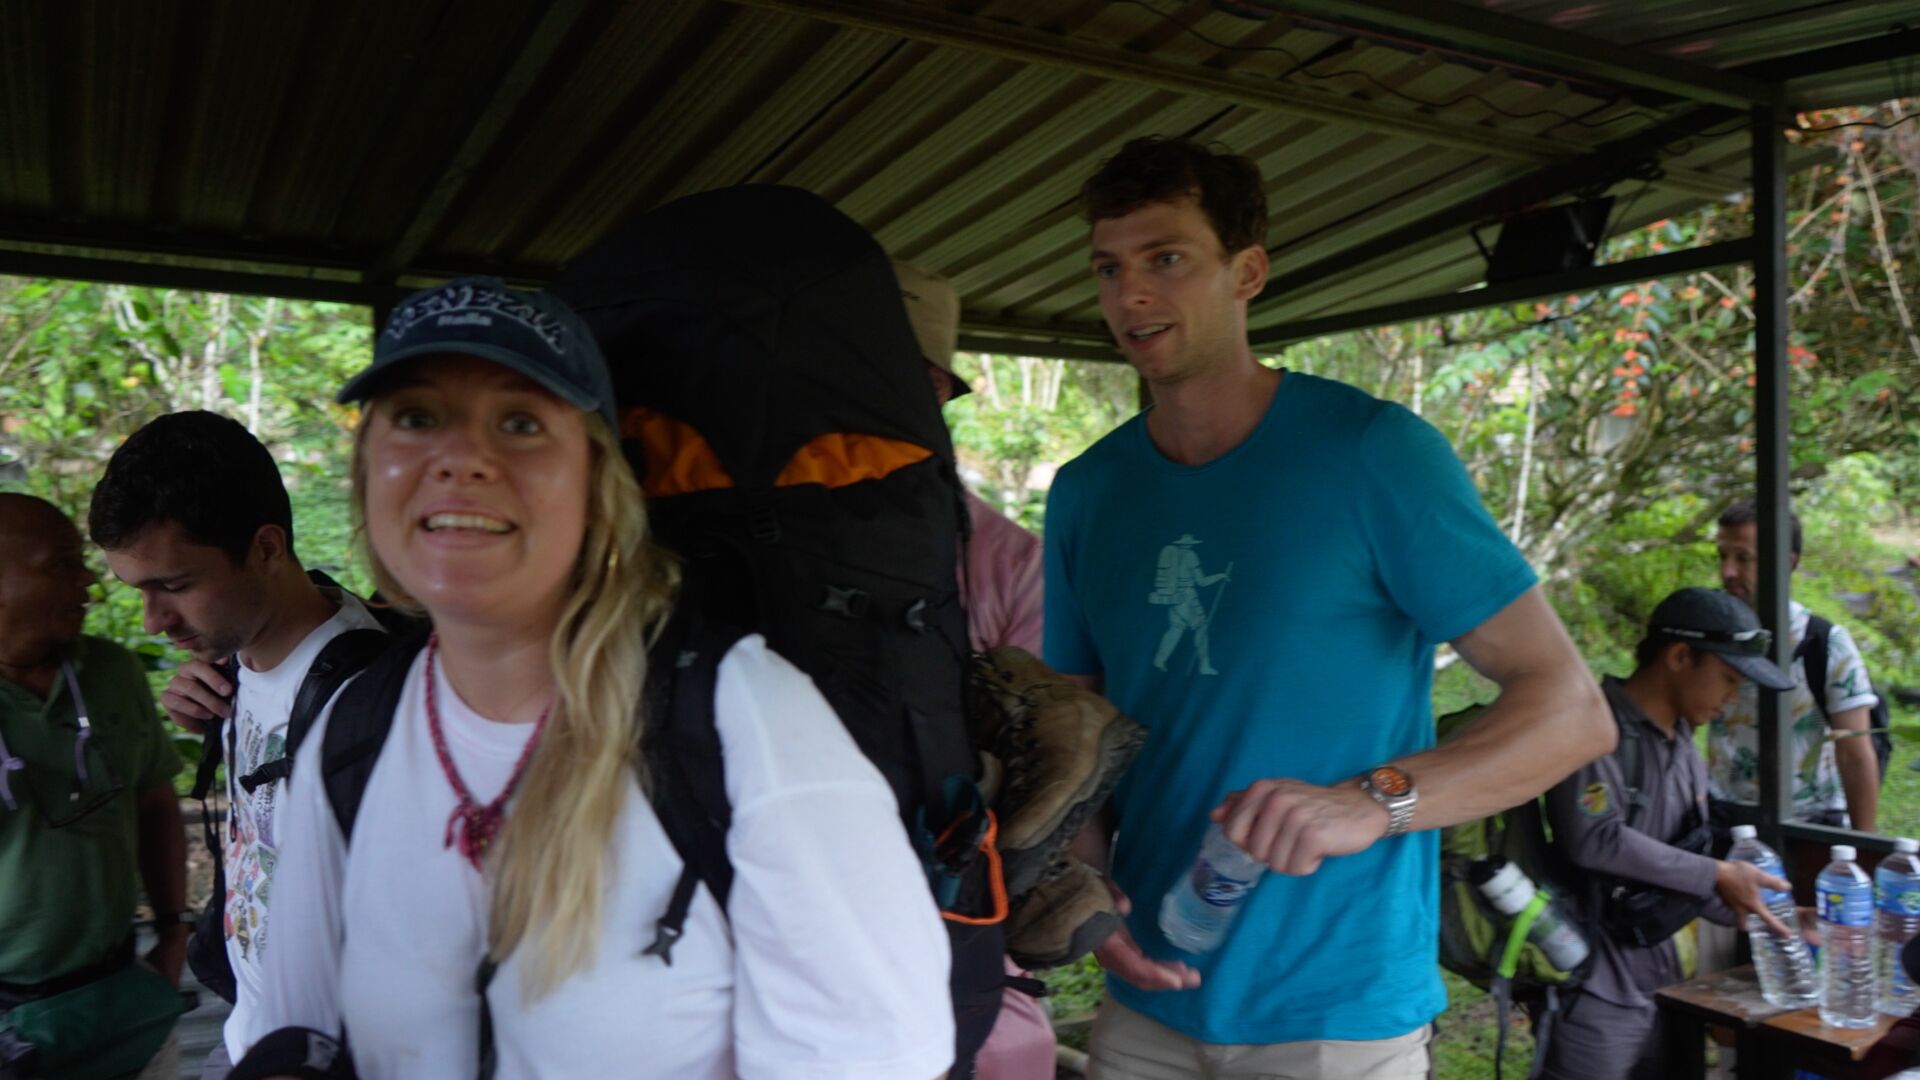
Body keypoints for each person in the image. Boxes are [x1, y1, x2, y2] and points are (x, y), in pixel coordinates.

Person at [238, 277, 953, 1078]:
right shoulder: (354, 731)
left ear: (596, 487)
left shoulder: (744, 718)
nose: (461, 458)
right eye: (416, 417)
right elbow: (297, 1035)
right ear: (369, 475)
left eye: (520, 423)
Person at [1045, 136, 1614, 1077]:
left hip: (1336, 1011)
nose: (1130, 294)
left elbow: (1570, 710)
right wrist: (1089, 885)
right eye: (1110, 268)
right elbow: (1078, 723)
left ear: (1247, 273)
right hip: (1147, 997)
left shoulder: (1370, 454)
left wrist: (1374, 801)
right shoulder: (1088, 491)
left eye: (1166, 258)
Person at [88, 410, 389, 1078]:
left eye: (175, 586)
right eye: (139, 592)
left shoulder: (370, 702)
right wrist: (221, 723)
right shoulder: (242, 660)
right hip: (247, 1028)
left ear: (267, 548)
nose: (155, 622)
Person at [896, 259, 1054, 1080]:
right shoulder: (748, 546)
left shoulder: (1009, 562)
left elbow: (1047, 767)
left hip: (966, 918)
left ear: (938, 391)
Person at [1540, 587, 1795, 1079]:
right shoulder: (1595, 729)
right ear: (1679, 657)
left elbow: (1678, 863)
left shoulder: (1683, 744)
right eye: (1728, 679)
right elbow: (1595, 839)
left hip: (1663, 979)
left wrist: (1765, 913)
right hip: (1596, 988)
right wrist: (1718, 872)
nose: (1731, 699)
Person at [0, 493, 187, 1079]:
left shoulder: (110, 672)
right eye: (62, 564)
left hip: (122, 997)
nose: (88, 580)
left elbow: (154, 801)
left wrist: (173, 932)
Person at [1706, 499, 1881, 830]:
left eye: (1743, 558)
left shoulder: (1824, 643)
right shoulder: (1708, 635)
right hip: (1723, 820)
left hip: (1810, 824)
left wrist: (1863, 846)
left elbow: (1854, 753)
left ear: (1786, 563)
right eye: (1722, 556)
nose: (1727, 571)